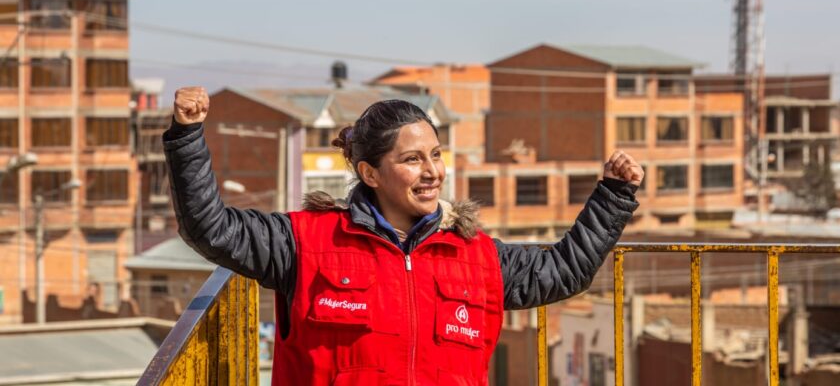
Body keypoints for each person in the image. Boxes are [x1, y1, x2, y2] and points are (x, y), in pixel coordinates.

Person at [164, 86, 643, 386]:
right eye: (413, 160)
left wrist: (613, 195)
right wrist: (188, 137)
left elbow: (566, 271)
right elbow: (210, 227)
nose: (433, 171)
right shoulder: (303, 241)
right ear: (370, 173)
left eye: (436, 155)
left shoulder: (477, 257)